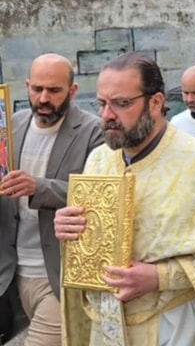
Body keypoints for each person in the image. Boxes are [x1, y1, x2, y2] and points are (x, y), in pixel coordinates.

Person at [53, 52, 195, 345]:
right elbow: (91, 250)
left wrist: (161, 276)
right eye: (102, 104)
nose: (107, 115)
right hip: (107, 326)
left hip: (174, 325)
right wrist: (70, 230)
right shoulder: (98, 160)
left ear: (155, 102)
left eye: (121, 103)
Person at [0, 54, 103, 345]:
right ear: (27, 86)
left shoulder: (93, 132)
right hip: (11, 275)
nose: (44, 98)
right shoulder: (13, 125)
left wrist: (38, 187)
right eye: (37, 89)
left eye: (54, 90)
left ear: (73, 91)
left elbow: (98, 196)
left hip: (59, 277)